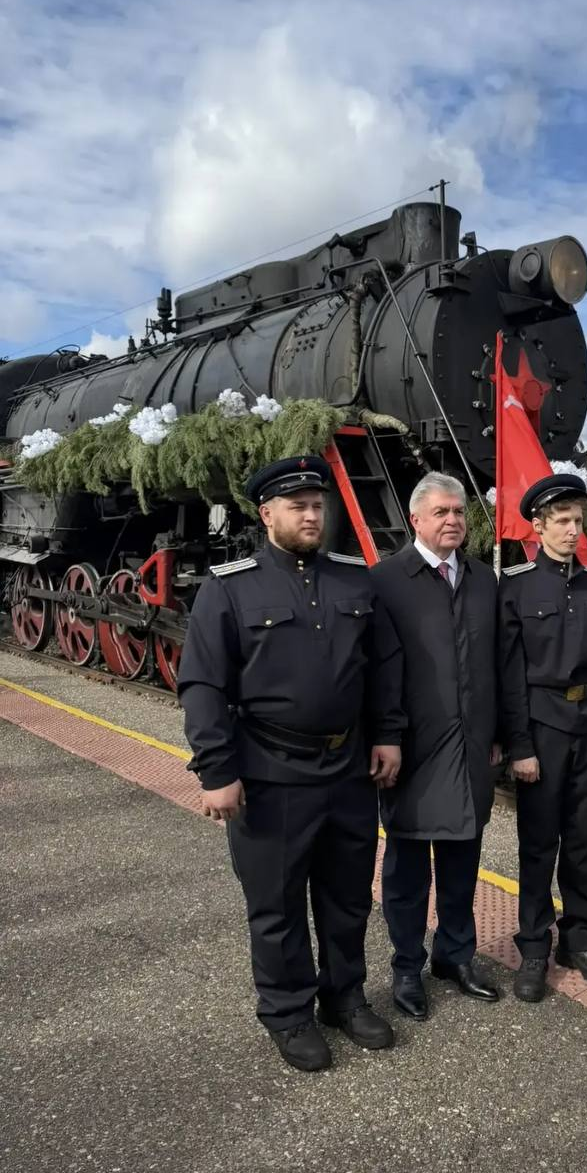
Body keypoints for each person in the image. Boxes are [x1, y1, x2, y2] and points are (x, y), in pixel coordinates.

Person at [178, 455, 405, 1071]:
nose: (311, 514)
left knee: (348, 895)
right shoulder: (230, 587)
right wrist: (216, 771)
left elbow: (382, 669)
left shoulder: (354, 580)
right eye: (298, 505)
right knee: (276, 905)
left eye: (317, 504)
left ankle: (345, 997)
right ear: (267, 513)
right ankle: (287, 1012)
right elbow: (201, 684)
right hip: (269, 772)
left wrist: (387, 735)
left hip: (349, 769)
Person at [370, 473, 500, 1021]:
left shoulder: (482, 580)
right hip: (413, 750)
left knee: (462, 858)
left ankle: (456, 955)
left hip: (470, 746)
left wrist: (501, 734)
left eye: (460, 512)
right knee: (406, 867)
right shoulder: (386, 581)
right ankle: (406, 966)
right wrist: (385, 736)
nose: (453, 521)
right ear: (416, 520)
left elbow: (497, 663)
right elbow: (379, 669)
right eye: (442, 512)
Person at [498, 474, 587, 1002]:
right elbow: (509, 675)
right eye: (563, 521)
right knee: (537, 845)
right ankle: (533, 948)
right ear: (538, 526)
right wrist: (520, 747)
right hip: (542, 730)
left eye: (579, 521)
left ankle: (579, 940)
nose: (573, 531)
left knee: (583, 843)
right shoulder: (518, 588)